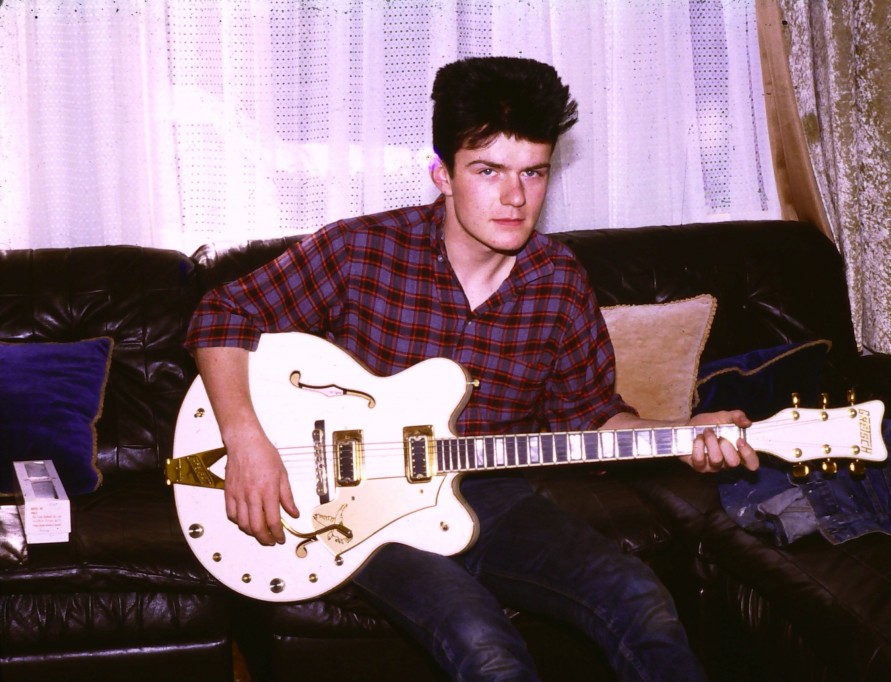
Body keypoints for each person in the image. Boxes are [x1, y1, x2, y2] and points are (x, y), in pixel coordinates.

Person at [186, 55, 759, 682]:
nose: (515, 197)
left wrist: (683, 435)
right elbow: (222, 312)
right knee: (487, 650)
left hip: (492, 490)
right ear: (443, 174)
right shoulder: (362, 250)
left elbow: (590, 414)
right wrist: (247, 443)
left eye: (533, 173)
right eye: (489, 171)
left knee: (641, 599)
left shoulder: (559, 281)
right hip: (366, 506)